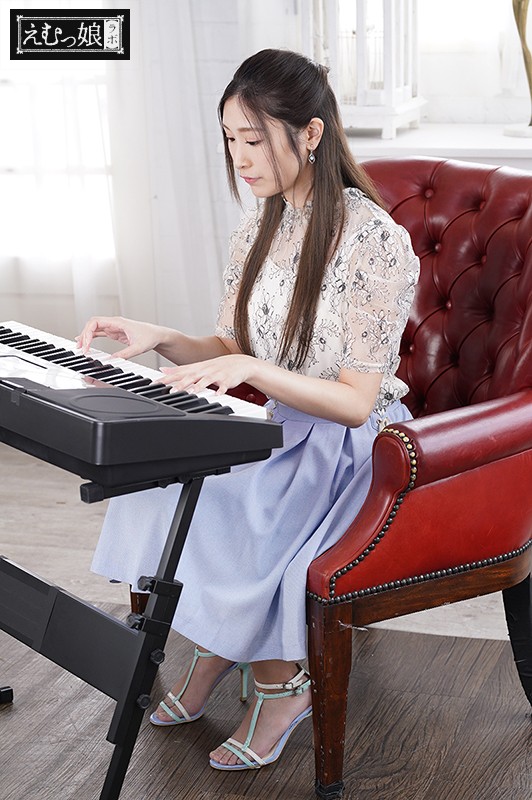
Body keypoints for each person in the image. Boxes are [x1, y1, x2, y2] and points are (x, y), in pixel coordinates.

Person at [77, 48, 420, 771]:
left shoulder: (376, 242)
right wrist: (160, 336)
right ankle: (219, 642)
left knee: (235, 501)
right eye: (231, 139)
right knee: (160, 483)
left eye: (255, 139)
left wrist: (255, 370)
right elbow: (232, 346)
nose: (240, 158)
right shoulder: (260, 226)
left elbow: (356, 401)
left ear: (312, 134)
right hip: (274, 421)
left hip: (350, 445)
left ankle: (280, 684)